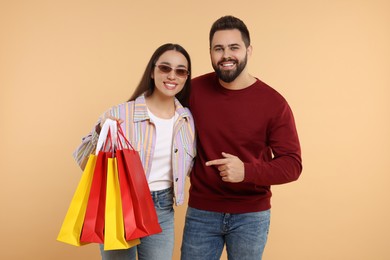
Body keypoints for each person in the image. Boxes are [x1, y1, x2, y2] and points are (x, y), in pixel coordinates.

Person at [180, 15, 302, 260]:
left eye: (234, 47)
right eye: (219, 48)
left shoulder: (273, 103)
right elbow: (157, 108)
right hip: (202, 212)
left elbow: (292, 165)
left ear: (248, 50)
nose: (226, 55)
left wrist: (246, 171)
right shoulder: (193, 91)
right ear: (211, 53)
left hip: (251, 217)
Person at [73, 43, 196, 260]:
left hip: (162, 208)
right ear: (152, 71)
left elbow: (191, 167)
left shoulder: (186, 120)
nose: (172, 76)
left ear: (186, 77)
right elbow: (84, 161)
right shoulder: (122, 113)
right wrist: (100, 132)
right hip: (121, 205)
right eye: (165, 68)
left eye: (180, 71)